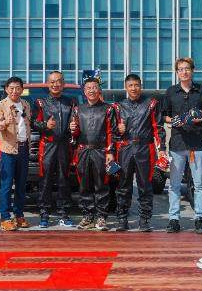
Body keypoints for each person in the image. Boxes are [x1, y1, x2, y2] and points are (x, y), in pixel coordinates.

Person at [163, 57, 202, 234]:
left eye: (187, 69)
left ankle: (199, 218)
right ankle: (174, 219)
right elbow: (165, 115)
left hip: (196, 144)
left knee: (199, 184)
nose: (184, 72)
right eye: (180, 69)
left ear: (193, 70)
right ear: (177, 72)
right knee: (174, 184)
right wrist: (172, 120)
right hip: (177, 144)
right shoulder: (171, 91)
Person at [112, 74, 166, 232]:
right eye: (130, 85)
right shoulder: (118, 107)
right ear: (125, 87)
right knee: (123, 185)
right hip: (125, 148)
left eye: (136, 85)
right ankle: (122, 219)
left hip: (145, 148)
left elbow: (158, 128)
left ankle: (145, 220)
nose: (134, 88)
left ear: (141, 86)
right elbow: (111, 132)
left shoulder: (151, 104)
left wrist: (161, 149)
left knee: (145, 186)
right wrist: (118, 130)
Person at [32, 71, 77, 228]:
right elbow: (33, 122)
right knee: (45, 180)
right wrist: (45, 125)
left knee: (64, 179)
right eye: (52, 81)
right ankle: (44, 214)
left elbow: (75, 122)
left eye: (58, 81)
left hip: (65, 145)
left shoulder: (70, 102)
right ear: (48, 84)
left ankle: (64, 214)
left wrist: (73, 126)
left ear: (63, 84)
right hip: (47, 145)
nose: (55, 84)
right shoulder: (40, 103)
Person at [70, 76, 115, 231]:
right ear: (84, 91)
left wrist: (110, 151)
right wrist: (73, 129)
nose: (91, 90)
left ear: (99, 90)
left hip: (101, 151)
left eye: (94, 87)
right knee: (84, 185)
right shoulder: (78, 109)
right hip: (83, 151)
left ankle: (101, 217)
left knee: (102, 184)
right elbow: (74, 135)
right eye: (88, 88)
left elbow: (111, 132)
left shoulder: (108, 109)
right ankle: (87, 216)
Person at [0, 76, 32, 231]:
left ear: (22, 89)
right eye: (11, 88)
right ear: (6, 89)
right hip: (9, 149)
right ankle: (5, 217)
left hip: (24, 148)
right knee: (7, 185)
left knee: (21, 184)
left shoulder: (26, 104)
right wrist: (5, 122)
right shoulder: (1, 105)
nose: (14, 91)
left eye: (18, 88)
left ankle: (19, 215)